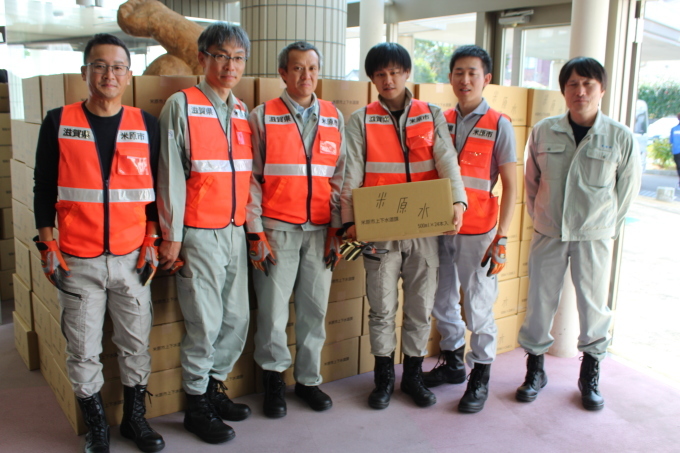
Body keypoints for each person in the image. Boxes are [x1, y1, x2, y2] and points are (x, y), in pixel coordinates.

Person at [33, 33, 165, 453]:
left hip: (131, 259)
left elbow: (154, 191)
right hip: (77, 260)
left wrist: (152, 238)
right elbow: (43, 188)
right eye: (100, 65)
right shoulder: (58, 121)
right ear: (85, 71)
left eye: (118, 66)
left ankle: (133, 421)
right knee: (83, 350)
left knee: (135, 344)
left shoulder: (146, 124)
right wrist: (47, 243)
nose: (109, 73)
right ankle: (97, 427)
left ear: (129, 74)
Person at [341, 42, 467, 410]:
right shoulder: (360, 119)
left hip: (425, 230)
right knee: (381, 308)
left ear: (407, 73)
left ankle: (412, 378)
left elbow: (447, 159)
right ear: (372, 79)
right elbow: (351, 173)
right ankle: (383, 380)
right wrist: (348, 220)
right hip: (379, 231)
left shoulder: (430, 114)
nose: (388, 79)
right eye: (380, 74)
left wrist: (457, 201)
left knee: (419, 307)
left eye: (395, 71)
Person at [517, 57, 641, 411]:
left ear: (601, 90)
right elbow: (531, 184)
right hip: (549, 233)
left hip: (594, 237)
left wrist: (604, 228)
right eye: (572, 84)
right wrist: (543, 218)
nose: (580, 91)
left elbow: (626, 192)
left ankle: (589, 375)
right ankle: (535, 371)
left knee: (593, 308)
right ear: (563, 90)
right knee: (539, 304)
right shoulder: (543, 131)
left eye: (588, 84)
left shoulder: (620, 137)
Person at [156, 22, 252, 444]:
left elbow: (246, 176)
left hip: (234, 229)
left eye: (237, 57)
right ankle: (195, 404)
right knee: (205, 323)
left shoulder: (242, 111)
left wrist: (252, 229)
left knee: (237, 319)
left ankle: (214, 387)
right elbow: (171, 175)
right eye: (221, 55)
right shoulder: (182, 104)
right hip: (197, 233)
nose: (229, 65)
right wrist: (172, 236)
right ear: (202, 59)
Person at [246, 41, 346, 418]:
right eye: (297, 69)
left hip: (321, 232)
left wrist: (337, 228)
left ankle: (308, 380)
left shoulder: (334, 116)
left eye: (312, 68)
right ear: (283, 74)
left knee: (314, 310)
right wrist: (255, 232)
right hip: (277, 231)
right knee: (272, 312)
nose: (306, 76)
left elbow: (340, 180)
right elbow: (251, 181)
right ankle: (274, 381)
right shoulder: (262, 116)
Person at [424, 45, 517, 414]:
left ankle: (480, 373)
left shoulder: (499, 124)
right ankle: (452, 363)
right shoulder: (438, 119)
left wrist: (503, 237)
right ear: (450, 78)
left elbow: (512, 185)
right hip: (438, 228)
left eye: (473, 73)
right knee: (441, 299)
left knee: (477, 306)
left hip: (478, 232)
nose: (465, 80)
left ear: (487, 79)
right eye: (458, 72)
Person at [671, 113, 680, 188]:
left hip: (676, 151)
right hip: (676, 151)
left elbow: (671, 141)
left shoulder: (674, 129)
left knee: (679, 167)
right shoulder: (673, 129)